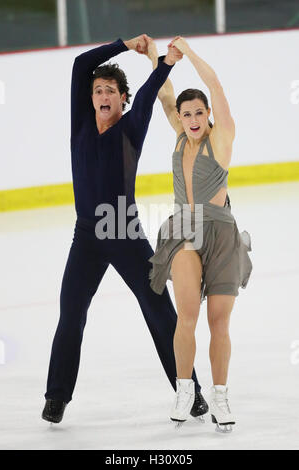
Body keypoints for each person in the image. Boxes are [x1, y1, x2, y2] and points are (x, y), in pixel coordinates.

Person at [42, 35, 209, 424]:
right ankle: (56, 397)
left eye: (110, 91)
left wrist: (165, 62)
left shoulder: (132, 128)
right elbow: (80, 64)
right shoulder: (81, 123)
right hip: (86, 236)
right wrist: (122, 44)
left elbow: (150, 92)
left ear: (122, 100)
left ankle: (191, 391)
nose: (102, 95)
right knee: (71, 314)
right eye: (98, 90)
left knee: (158, 308)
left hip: (124, 230)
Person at [147, 37, 252, 432]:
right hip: (185, 231)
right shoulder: (178, 134)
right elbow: (165, 93)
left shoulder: (220, 139)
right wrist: (158, 60)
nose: (191, 119)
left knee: (219, 322)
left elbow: (218, 85)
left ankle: (221, 398)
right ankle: (185, 389)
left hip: (221, 234)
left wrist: (189, 53)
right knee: (186, 315)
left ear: (208, 114)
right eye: (186, 113)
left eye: (197, 112)